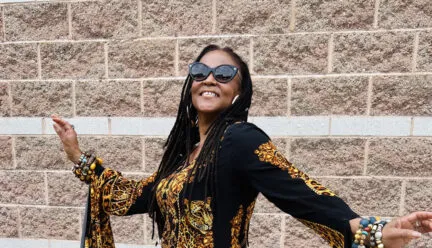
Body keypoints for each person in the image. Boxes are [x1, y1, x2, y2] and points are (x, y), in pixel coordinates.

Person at [52, 45, 432, 248]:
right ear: (190, 84)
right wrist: (78, 156)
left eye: (224, 73)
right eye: (199, 72)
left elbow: (298, 191)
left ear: (238, 90)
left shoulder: (239, 138)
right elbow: (136, 197)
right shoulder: (183, 158)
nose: (210, 78)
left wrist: (370, 230)